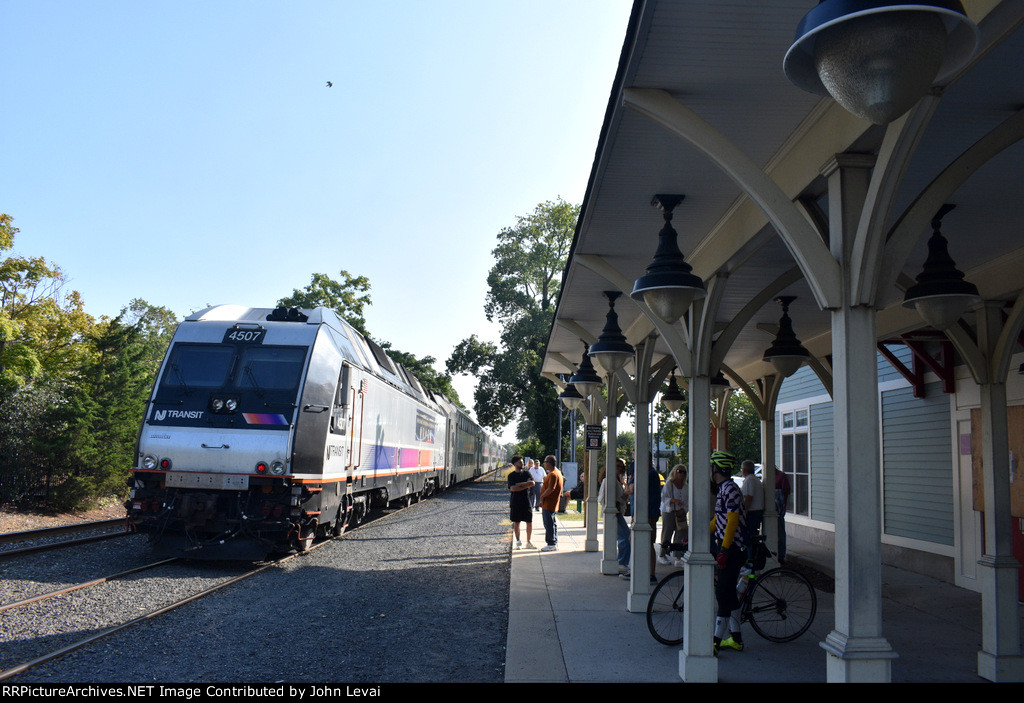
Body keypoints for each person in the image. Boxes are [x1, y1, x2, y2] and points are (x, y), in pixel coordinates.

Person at [709, 450, 746, 654]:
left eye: (712, 466)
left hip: (732, 548)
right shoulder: (725, 488)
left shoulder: (730, 489)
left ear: (717, 468)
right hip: (728, 546)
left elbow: (732, 521)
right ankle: (736, 640)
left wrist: (724, 549)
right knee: (728, 593)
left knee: (723, 594)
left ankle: (715, 642)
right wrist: (700, 533)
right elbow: (720, 521)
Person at [598, 459, 630, 574]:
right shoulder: (609, 480)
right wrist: (625, 494)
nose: (620, 469)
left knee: (623, 537)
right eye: (617, 466)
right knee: (625, 537)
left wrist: (625, 487)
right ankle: (621, 563)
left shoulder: (616, 480)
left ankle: (621, 561)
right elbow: (613, 499)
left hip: (616, 512)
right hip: (614, 512)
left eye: (622, 467)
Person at [658, 464, 688, 565]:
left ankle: (678, 556)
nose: (682, 474)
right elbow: (664, 498)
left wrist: (683, 510)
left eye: (684, 472)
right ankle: (662, 554)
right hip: (669, 511)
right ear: (675, 472)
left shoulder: (686, 486)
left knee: (681, 533)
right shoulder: (669, 484)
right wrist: (674, 501)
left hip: (681, 512)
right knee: (667, 532)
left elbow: (687, 501)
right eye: (680, 471)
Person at [507, 455, 535, 549]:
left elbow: (533, 483)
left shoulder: (527, 473)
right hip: (515, 501)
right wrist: (526, 485)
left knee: (529, 521)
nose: (522, 463)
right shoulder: (511, 476)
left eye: (522, 462)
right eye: (520, 462)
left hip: (526, 500)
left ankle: (529, 542)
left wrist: (521, 485)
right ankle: (518, 542)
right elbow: (513, 488)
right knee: (517, 522)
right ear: (515, 464)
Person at [539, 455, 564, 551]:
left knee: (548, 524)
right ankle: (554, 542)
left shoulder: (553, 474)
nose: (544, 464)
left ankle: (551, 543)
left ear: (548, 463)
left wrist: (542, 496)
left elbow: (551, 488)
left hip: (549, 503)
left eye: (545, 462)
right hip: (552, 503)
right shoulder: (558, 473)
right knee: (552, 523)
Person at [740, 460, 764, 561]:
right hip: (755, 512)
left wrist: (744, 513)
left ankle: (750, 560)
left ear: (744, 470)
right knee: (751, 537)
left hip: (752, 513)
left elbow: (749, 497)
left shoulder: (750, 480)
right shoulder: (754, 479)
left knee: (749, 538)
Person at [775, 466, 791, 563]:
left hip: (779, 510)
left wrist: (783, 506)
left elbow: (786, 492)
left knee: (780, 533)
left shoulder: (782, 476)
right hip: (769, 510)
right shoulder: (767, 477)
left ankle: (781, 555)